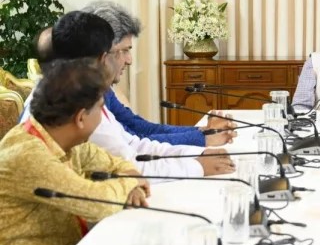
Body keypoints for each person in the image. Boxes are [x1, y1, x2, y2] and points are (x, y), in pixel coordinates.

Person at [22, 11, 235, 179]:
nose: (129, 60)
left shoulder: (82, 92)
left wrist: (195, 154)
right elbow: (128, 169)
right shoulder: (69, 105)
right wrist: (197, 166)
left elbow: (134, 144)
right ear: (102, 58)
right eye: (122, 51)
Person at [0, 58, 149, 245]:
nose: (104, 118)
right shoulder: (28, 155)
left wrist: (130, 180)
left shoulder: (66, 139)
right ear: (80, 118)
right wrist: (131, 182)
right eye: (101, 109)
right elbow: (97, 203)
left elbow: (117, 164)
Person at [81, 1, 236, 147]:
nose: (129, 60)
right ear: (103, 51)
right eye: (125, 50)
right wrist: (203, 138)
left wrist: (203, 131)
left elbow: (142, 127)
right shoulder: (84, 95)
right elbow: (133, 143)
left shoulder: (102, 87)